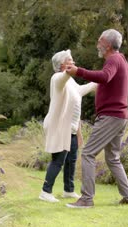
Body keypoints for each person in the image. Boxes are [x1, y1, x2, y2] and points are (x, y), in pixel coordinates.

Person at [64, 29, 128, 208]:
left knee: (88, 153)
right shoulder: (120, 60)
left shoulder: (113, 59)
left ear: (108, 45)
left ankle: (87, 199)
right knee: (113, 158)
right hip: (119, 116)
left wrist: (78, 71)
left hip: (111, 116)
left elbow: (105, 77)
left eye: (100, 41)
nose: (97, 44)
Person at [39, 49, 97, 203]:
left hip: (71, 128)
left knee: (71, 160)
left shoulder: (71, 82)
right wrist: (69, 73)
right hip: (59, 127)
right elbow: (62, 79)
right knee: (58, 160)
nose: (73, 62)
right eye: (70, 60)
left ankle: (69, 190)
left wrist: (96, 82)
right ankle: (45, 191)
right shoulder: (58, 77)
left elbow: (80, 91)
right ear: (62, 64)